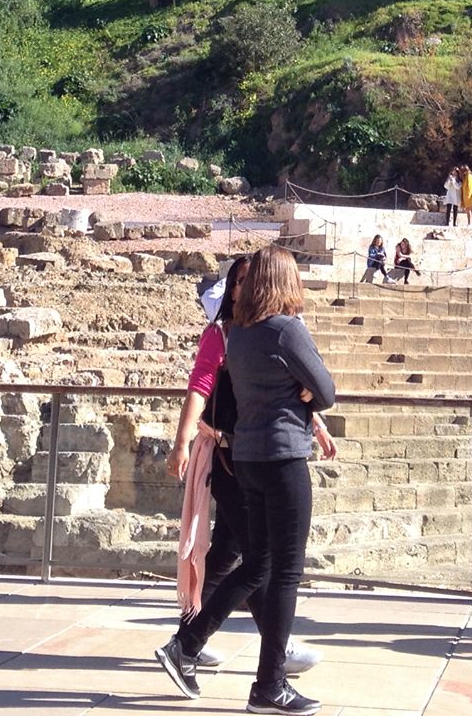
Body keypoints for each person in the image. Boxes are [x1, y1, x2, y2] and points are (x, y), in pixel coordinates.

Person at [162, 246, 335, 716]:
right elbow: (327, 391)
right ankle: (269, 685)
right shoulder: (286, 331)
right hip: (281, 458)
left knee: (256, 564)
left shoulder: (237, 335)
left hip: (248, 458)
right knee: (285, 572)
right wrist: (306, 395)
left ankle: (189, 643)